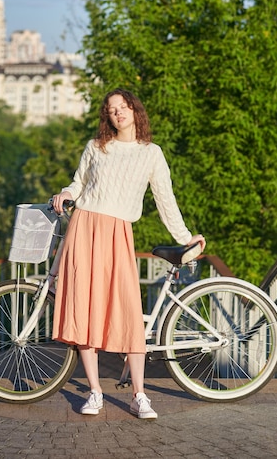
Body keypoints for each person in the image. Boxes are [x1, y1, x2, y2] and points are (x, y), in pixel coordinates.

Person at [52, 88, 206, 419]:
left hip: (118, 233)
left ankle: (139, 395)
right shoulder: (96, 147)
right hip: (84, 228)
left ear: (135, 110)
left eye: (123, 107)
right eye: (111, 109)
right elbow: (78, 183)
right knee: (85, 309)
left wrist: (184, 237)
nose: (118, 113)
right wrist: (65, 192)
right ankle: (95, 392)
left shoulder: (151, 153)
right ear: (106, 116)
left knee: (129, 312)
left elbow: (166, 199)